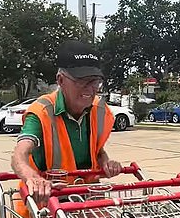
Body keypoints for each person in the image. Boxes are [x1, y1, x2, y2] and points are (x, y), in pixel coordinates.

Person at [11, 39, 123, 204]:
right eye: (81, 80)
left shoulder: (99, 111)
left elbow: (96, 151)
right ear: (61, 80)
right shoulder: (42, 112)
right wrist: (33, 178)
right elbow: (19, 155)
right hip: (48, 205)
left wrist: (106, 163)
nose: (90, 88)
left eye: (95, 81)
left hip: (86, 201)